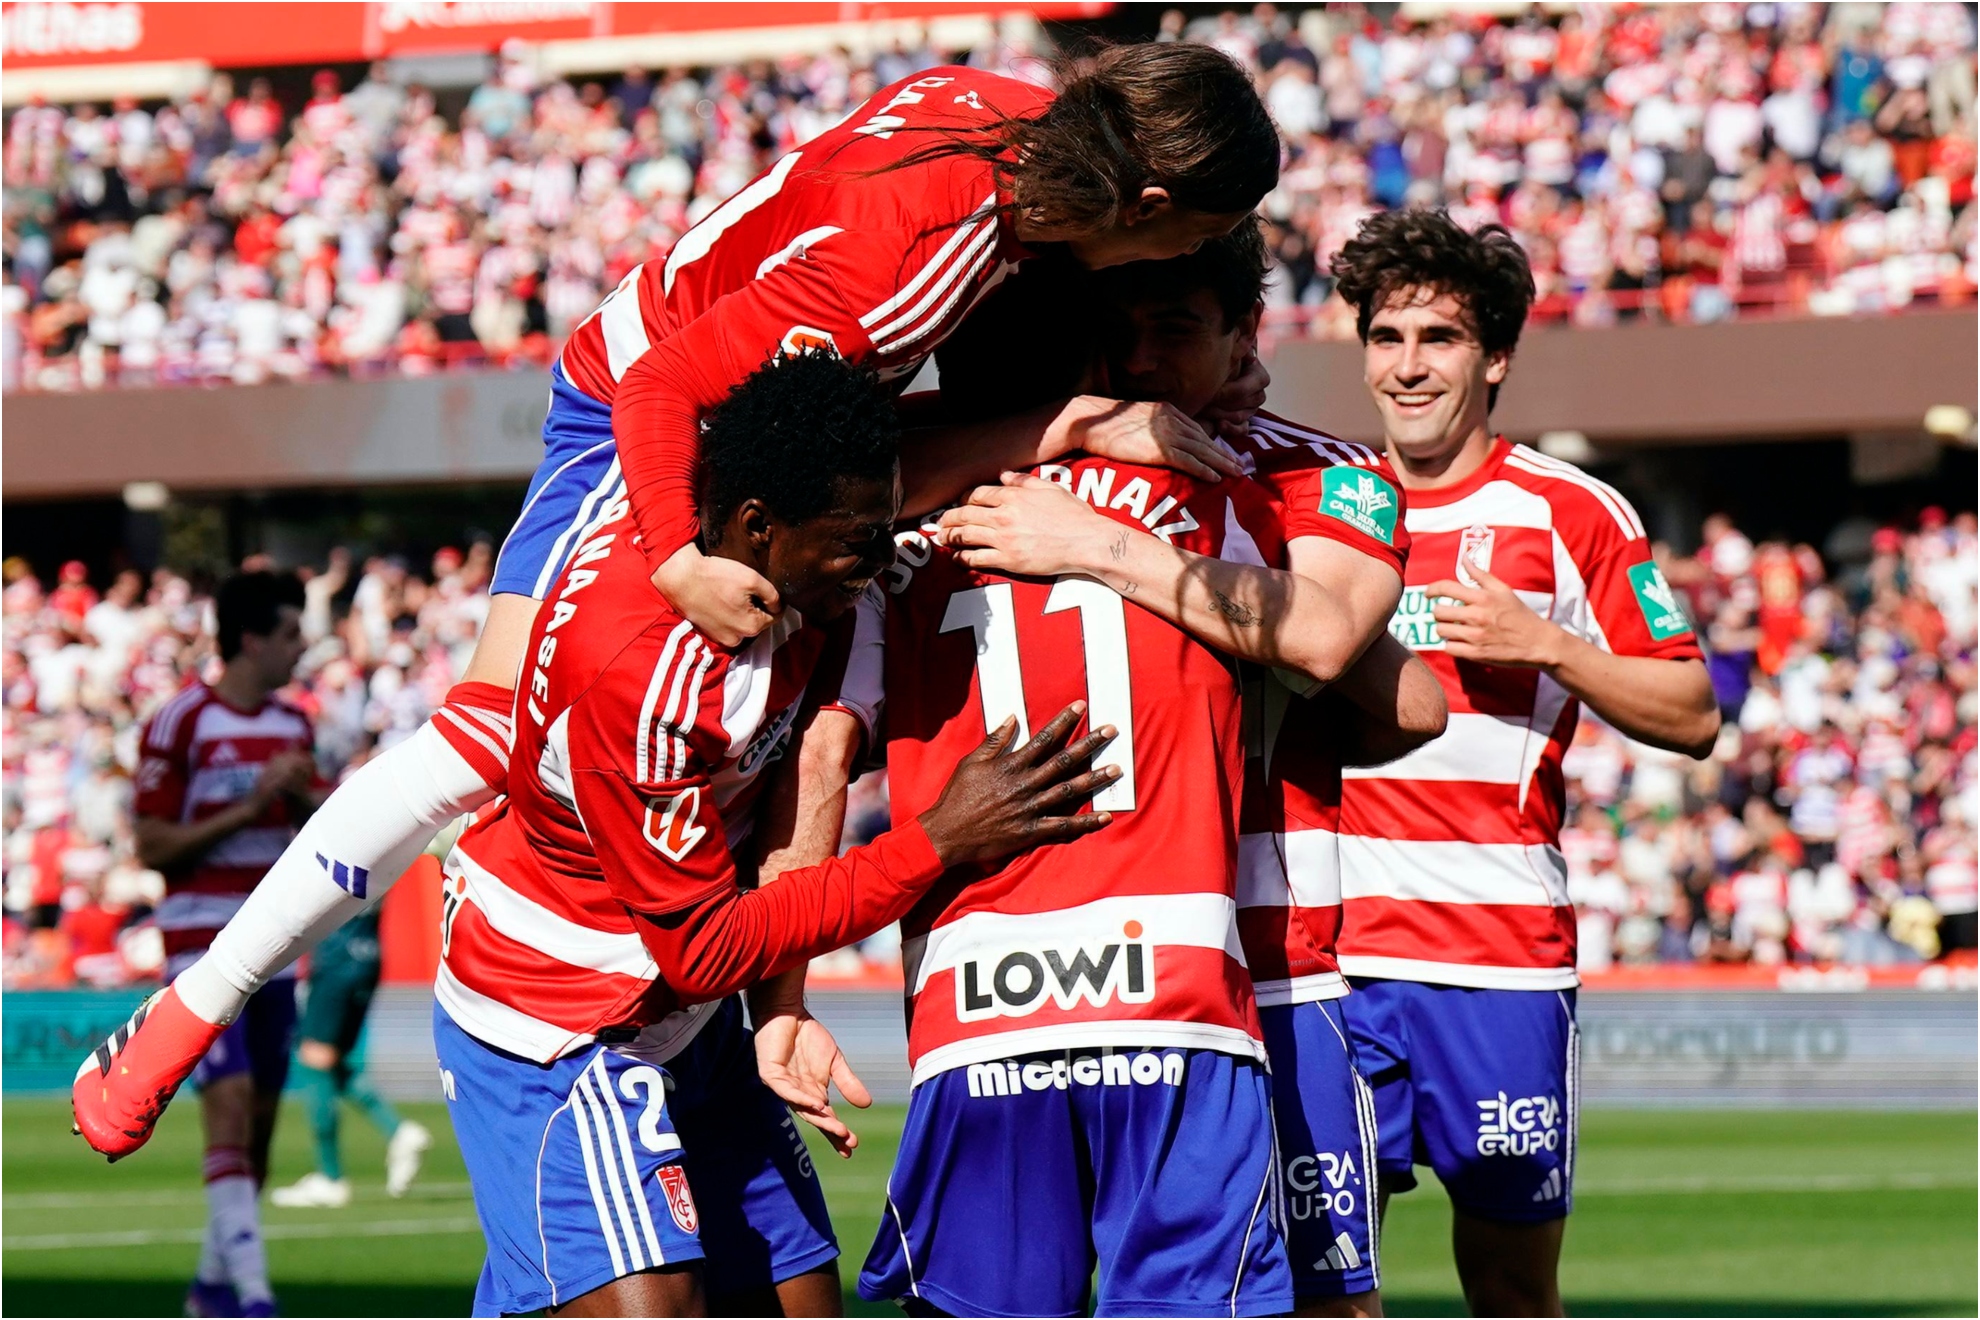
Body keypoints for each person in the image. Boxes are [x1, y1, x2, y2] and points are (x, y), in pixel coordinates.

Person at [74, 42, 1283, 1160]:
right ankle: (192, 1010)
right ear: (1154, 208)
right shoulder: (908, 266)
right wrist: (673, 554)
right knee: (488, 729)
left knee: (772, 707)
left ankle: (657, 1002)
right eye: (1202, 237)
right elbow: (666, 383)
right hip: (646, 421)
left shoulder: (1005, 117)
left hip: (745, 426)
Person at [434, 349, 1122, 1317]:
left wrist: (1081, 418)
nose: (878, 562)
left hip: (690, 1020)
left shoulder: (795, 569)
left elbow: (813, 768)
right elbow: (706, 943)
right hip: (564, 1017)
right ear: (758, 526)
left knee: (802, 1302)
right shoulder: (643, 674)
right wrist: (937, 840)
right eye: (857, 542)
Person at [921, 218, 1447, 1317]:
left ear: (1244, 334)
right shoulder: (1018, 452)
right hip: (1104, 953)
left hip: (1274, 957)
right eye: (1122, 332)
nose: (1145, 359)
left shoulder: (1309, 467)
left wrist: (1101, 545)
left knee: (1324, 1302)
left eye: (1178, 329)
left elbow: (1386, 681)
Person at [1325, 209, 1720, 1317]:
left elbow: (1692, 712)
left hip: (1496, 956)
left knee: (1508, 1282)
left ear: (1493, 356)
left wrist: (1547, 642)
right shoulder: (1317, 505)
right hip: (1332, 954)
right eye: (1387, 337)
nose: (1408, 367)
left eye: (1438, 340)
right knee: (1329, 1284)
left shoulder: (1570, 510)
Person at [831, 424, 1299, 1318]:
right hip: (1175, 999)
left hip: (978, 1017)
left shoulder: (890, 531)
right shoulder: (1212, 500)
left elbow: (821, 759)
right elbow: (1357, 660)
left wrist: (780, 1007)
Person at [112, 571, 319, 1317]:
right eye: (292, 634)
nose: (302, 648)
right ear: (252, 640)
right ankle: (256, 1300)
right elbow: (156, 846)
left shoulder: (295, 726)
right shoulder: (180, 722)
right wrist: (251, 804)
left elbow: (320, 835)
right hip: (201, 943)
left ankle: (208, 1287)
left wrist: (299, 800)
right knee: (228, 1104)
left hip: (275, 943)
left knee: (258, 1127)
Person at [267, 901, 431, 1208]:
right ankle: (399, 1131)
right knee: (328, 1062)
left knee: (312, 1060)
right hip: (369, 954)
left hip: (337, 958)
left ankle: (330, 1178)